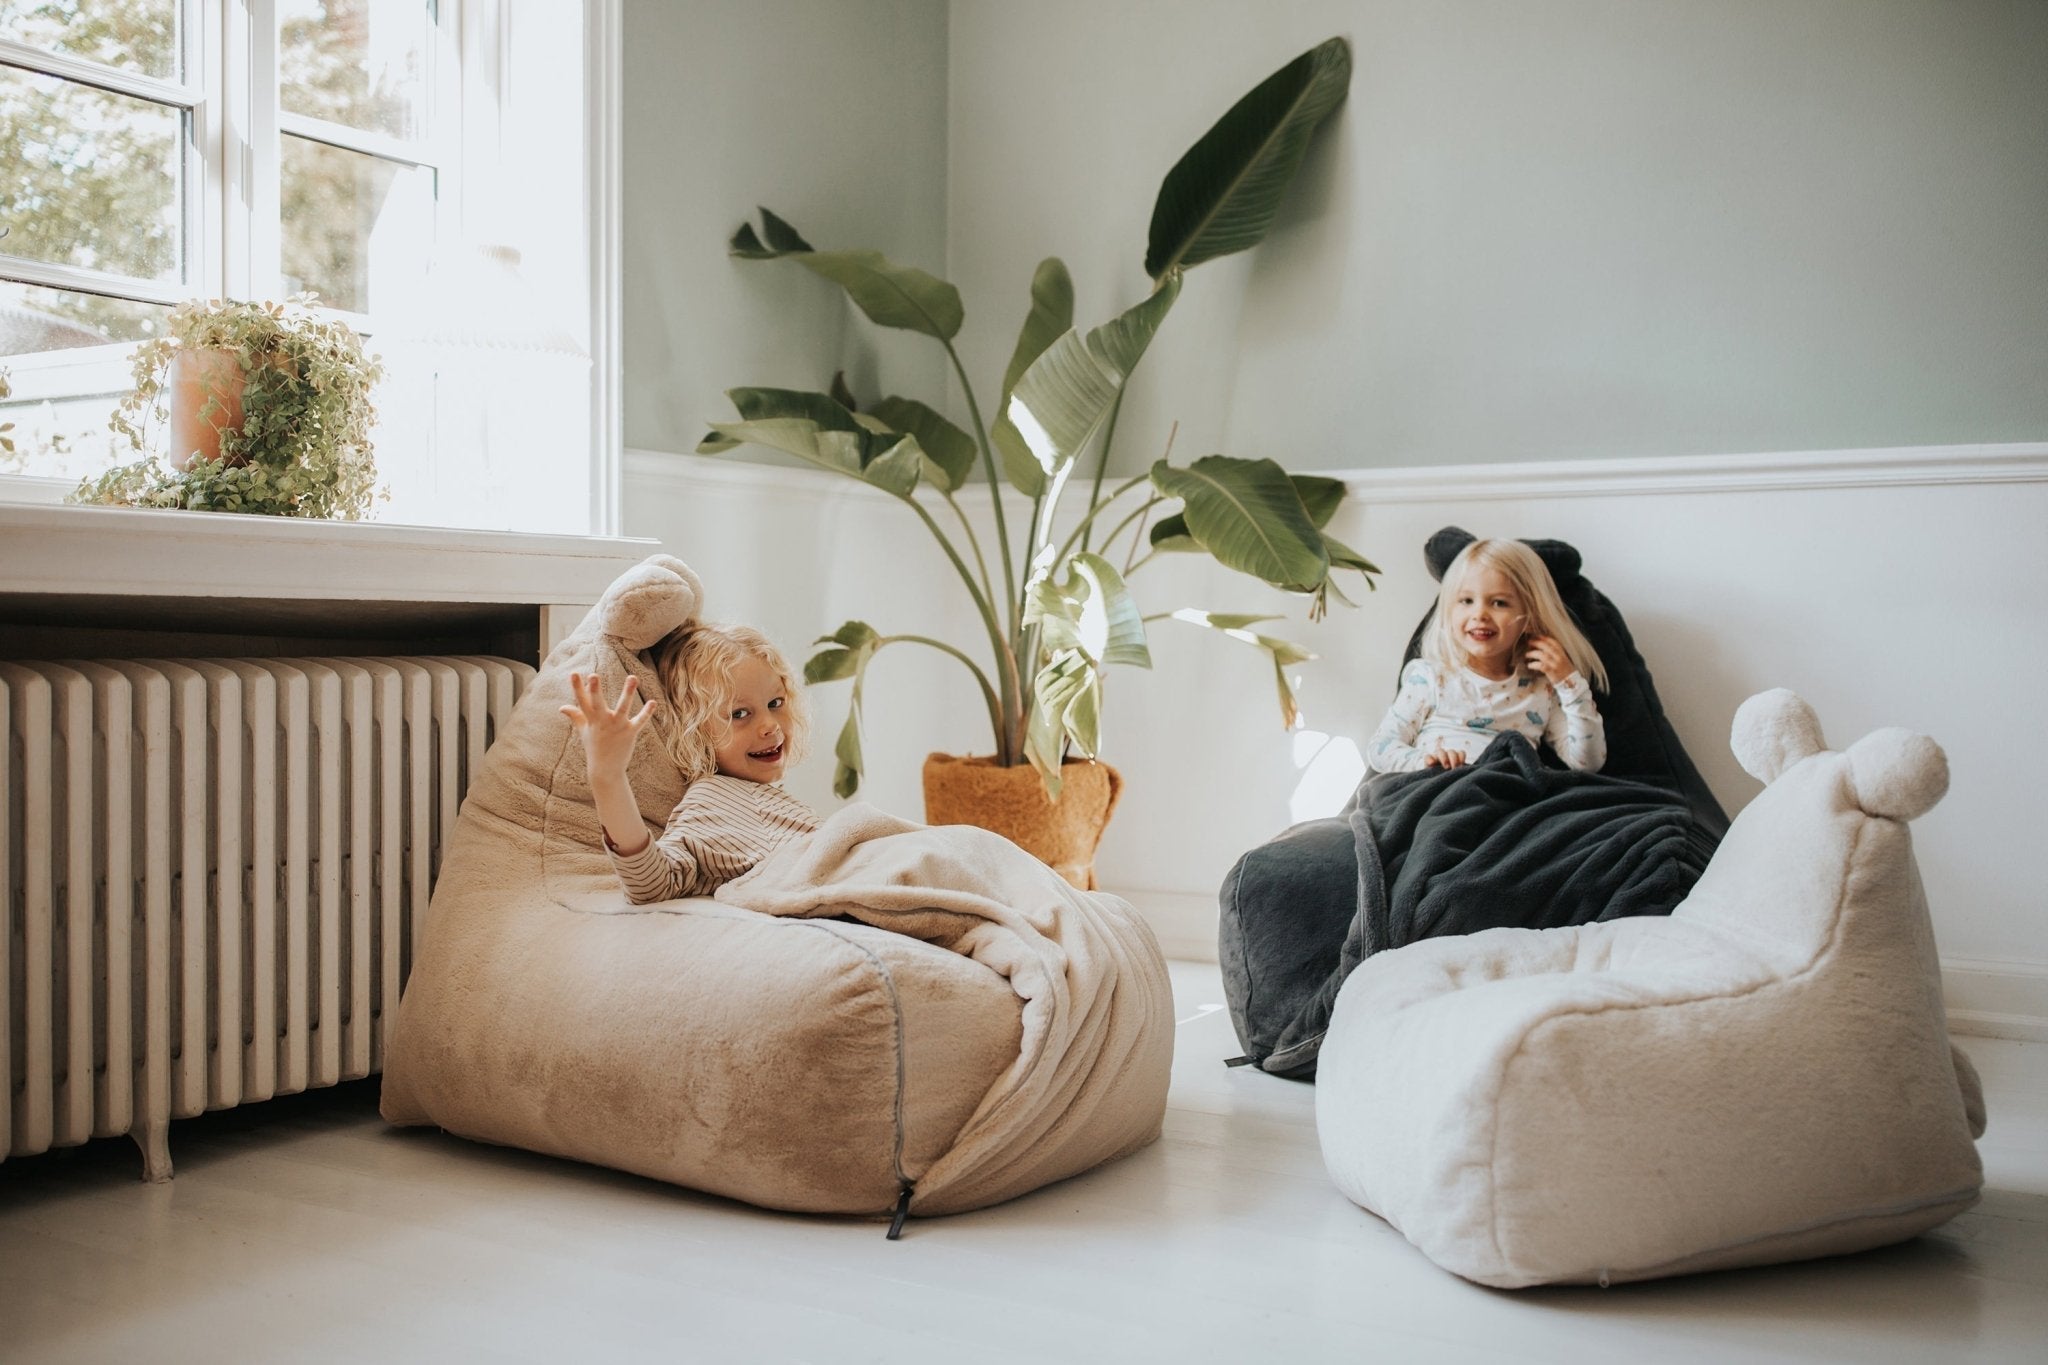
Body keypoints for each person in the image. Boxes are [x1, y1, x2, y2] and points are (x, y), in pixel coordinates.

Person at [562, 623, 818, 903]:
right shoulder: (713, 797)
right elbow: (653, 882)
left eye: (775, 703)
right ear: (692, 731)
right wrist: (607, 775)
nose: (770, 726)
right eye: (740, 713)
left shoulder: (757, 797)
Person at [1366, 538, 1608, 774]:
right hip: (1440, 789)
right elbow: (1380, 748)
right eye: (1466, 601)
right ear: (1449, 610)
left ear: (1530, 616)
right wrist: (1425, 762)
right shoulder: (1431, 677)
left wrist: (1570, 684)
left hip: (1506, 798)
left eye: (1499, 603)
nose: (1479, 613)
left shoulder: (1541, 688)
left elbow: (1587, 763)